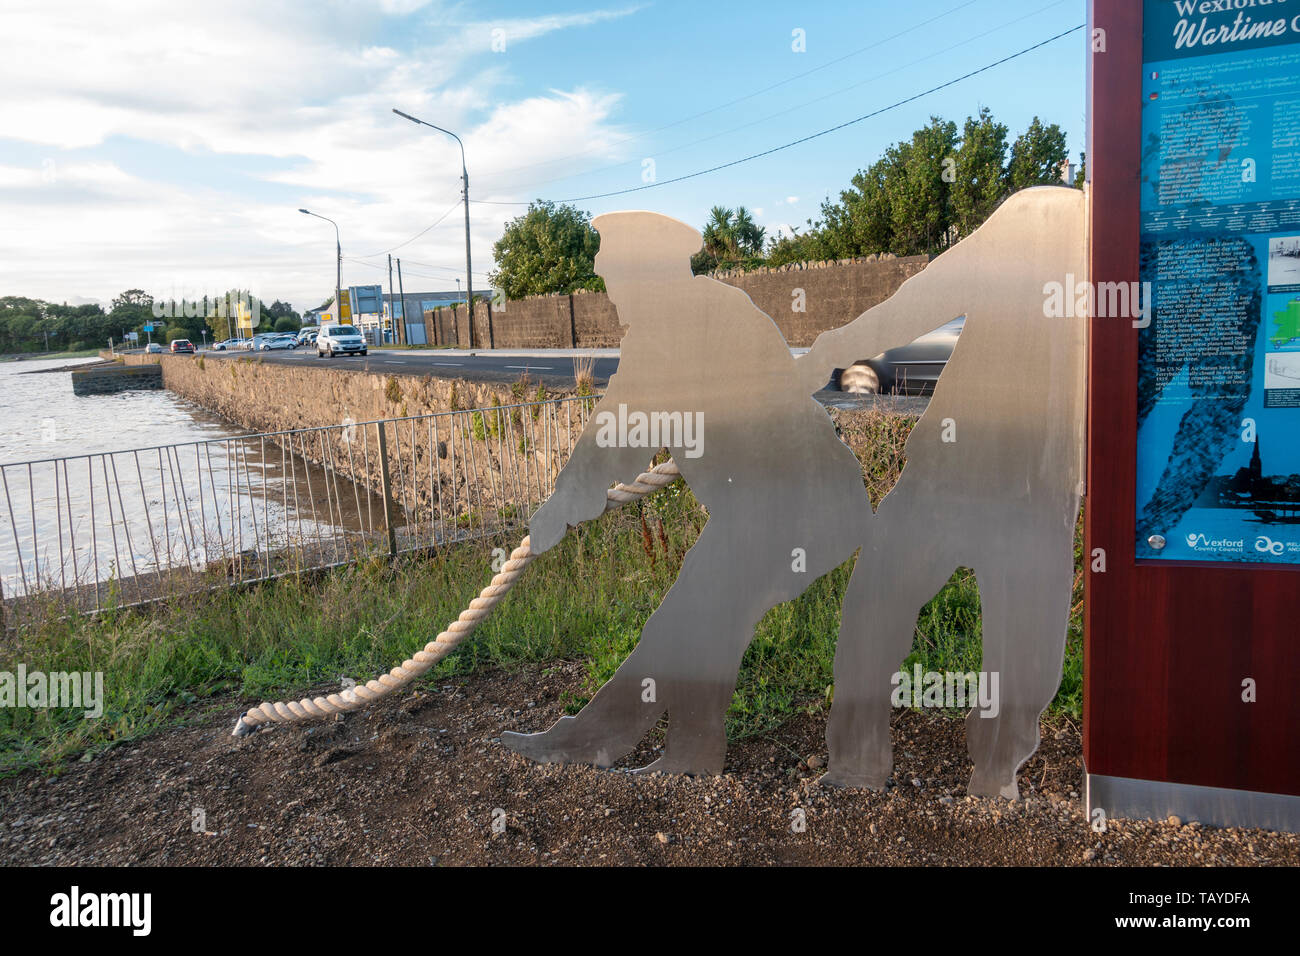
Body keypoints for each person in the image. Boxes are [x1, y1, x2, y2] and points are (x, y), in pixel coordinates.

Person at [503, 211, 873, 774]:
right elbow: (624, 423)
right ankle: (655, 750)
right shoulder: (691, 318)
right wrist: (567, 500)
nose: (611, 290)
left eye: (616, 277)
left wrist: (563, 504)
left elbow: (616, 432)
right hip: (767, 509)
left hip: (803, 508)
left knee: (696, 619)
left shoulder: (695, 320)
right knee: (696, 622)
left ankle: (631, 748)